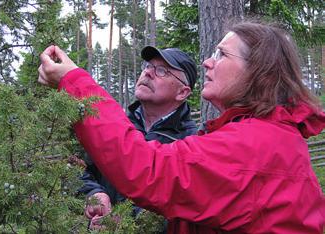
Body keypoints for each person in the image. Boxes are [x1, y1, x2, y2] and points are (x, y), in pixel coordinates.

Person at [38, 21, 325, 233]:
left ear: (258, 72)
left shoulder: (252, 144)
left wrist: (74, 81)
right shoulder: (257, 134)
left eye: (223, 55)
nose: (208, 62)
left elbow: (145, 169)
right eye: (148, 66)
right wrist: (95, 195)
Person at [78, 46, 198, 230]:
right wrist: (94, 194)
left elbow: (184, 212)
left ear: (182, 92)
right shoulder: (117, 126)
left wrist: (126, 223)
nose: (148, 72)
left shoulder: (192, 143)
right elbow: (81, 169)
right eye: (148, 66)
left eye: (161, 71)